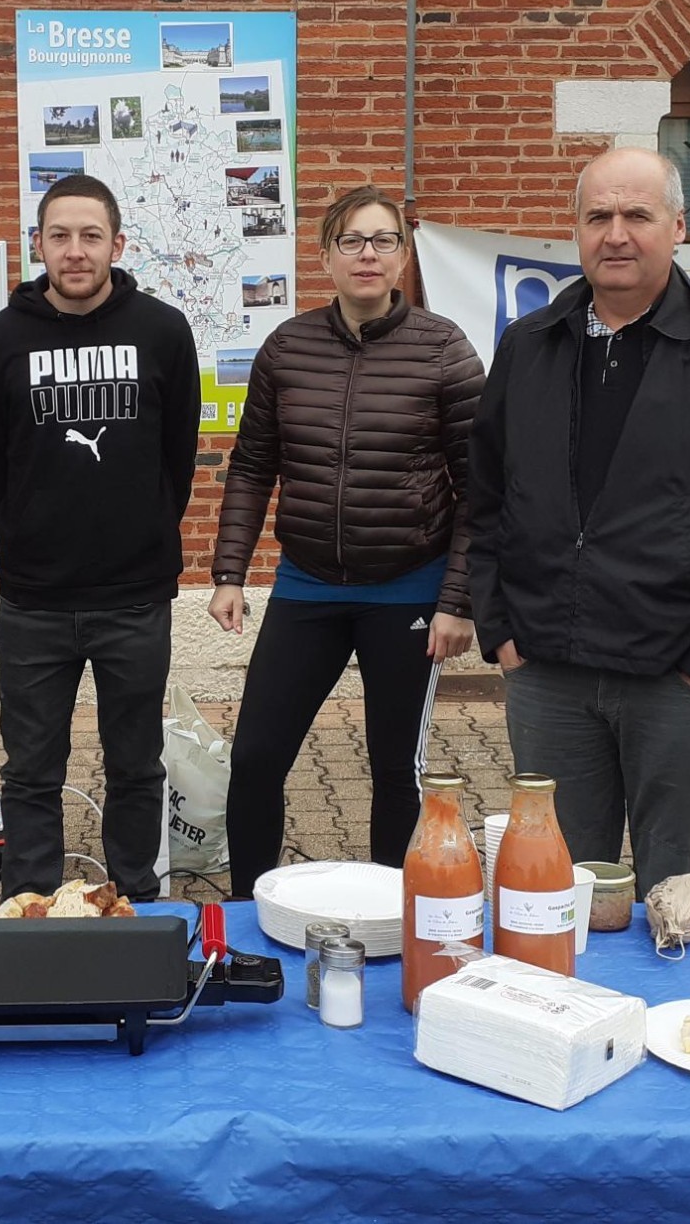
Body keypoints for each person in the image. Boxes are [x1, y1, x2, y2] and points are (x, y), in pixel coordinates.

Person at [468, 147, 690, 892]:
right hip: (549, 675)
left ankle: (672, 1010)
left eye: (636, 215)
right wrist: (500, 629)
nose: (615, 234)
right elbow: (486, 494)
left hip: (675, 679)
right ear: (576, 232)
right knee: (551, 891)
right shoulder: (530, 347)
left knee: (675, 893)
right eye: (598, 217)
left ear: (678, 227)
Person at [209, 186, 485, 897]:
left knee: (396, 767)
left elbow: (483, 487)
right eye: (352, 241)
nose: (368, 254)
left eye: (383, 240)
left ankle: (395, 918)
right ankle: (248, 913)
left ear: (402, 257)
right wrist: (229, 571)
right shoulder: (288, 347)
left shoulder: (444, 348)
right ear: (326, 257)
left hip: (410, 590)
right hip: (308, 585)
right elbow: (252, 464)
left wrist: (458, 600)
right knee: (258, 756)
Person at [0, 174, 201, 901]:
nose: (75, 251)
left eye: (90, 236)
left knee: (136, 764)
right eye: (59, 235)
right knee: (30, 769)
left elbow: (179, 457)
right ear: (38, 244)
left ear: (117, 244)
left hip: (135, 597)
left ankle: (131, 898)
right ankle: (30, 903)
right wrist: (30, 538)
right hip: (34, 601)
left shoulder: (163, 331)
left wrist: (142, 533)